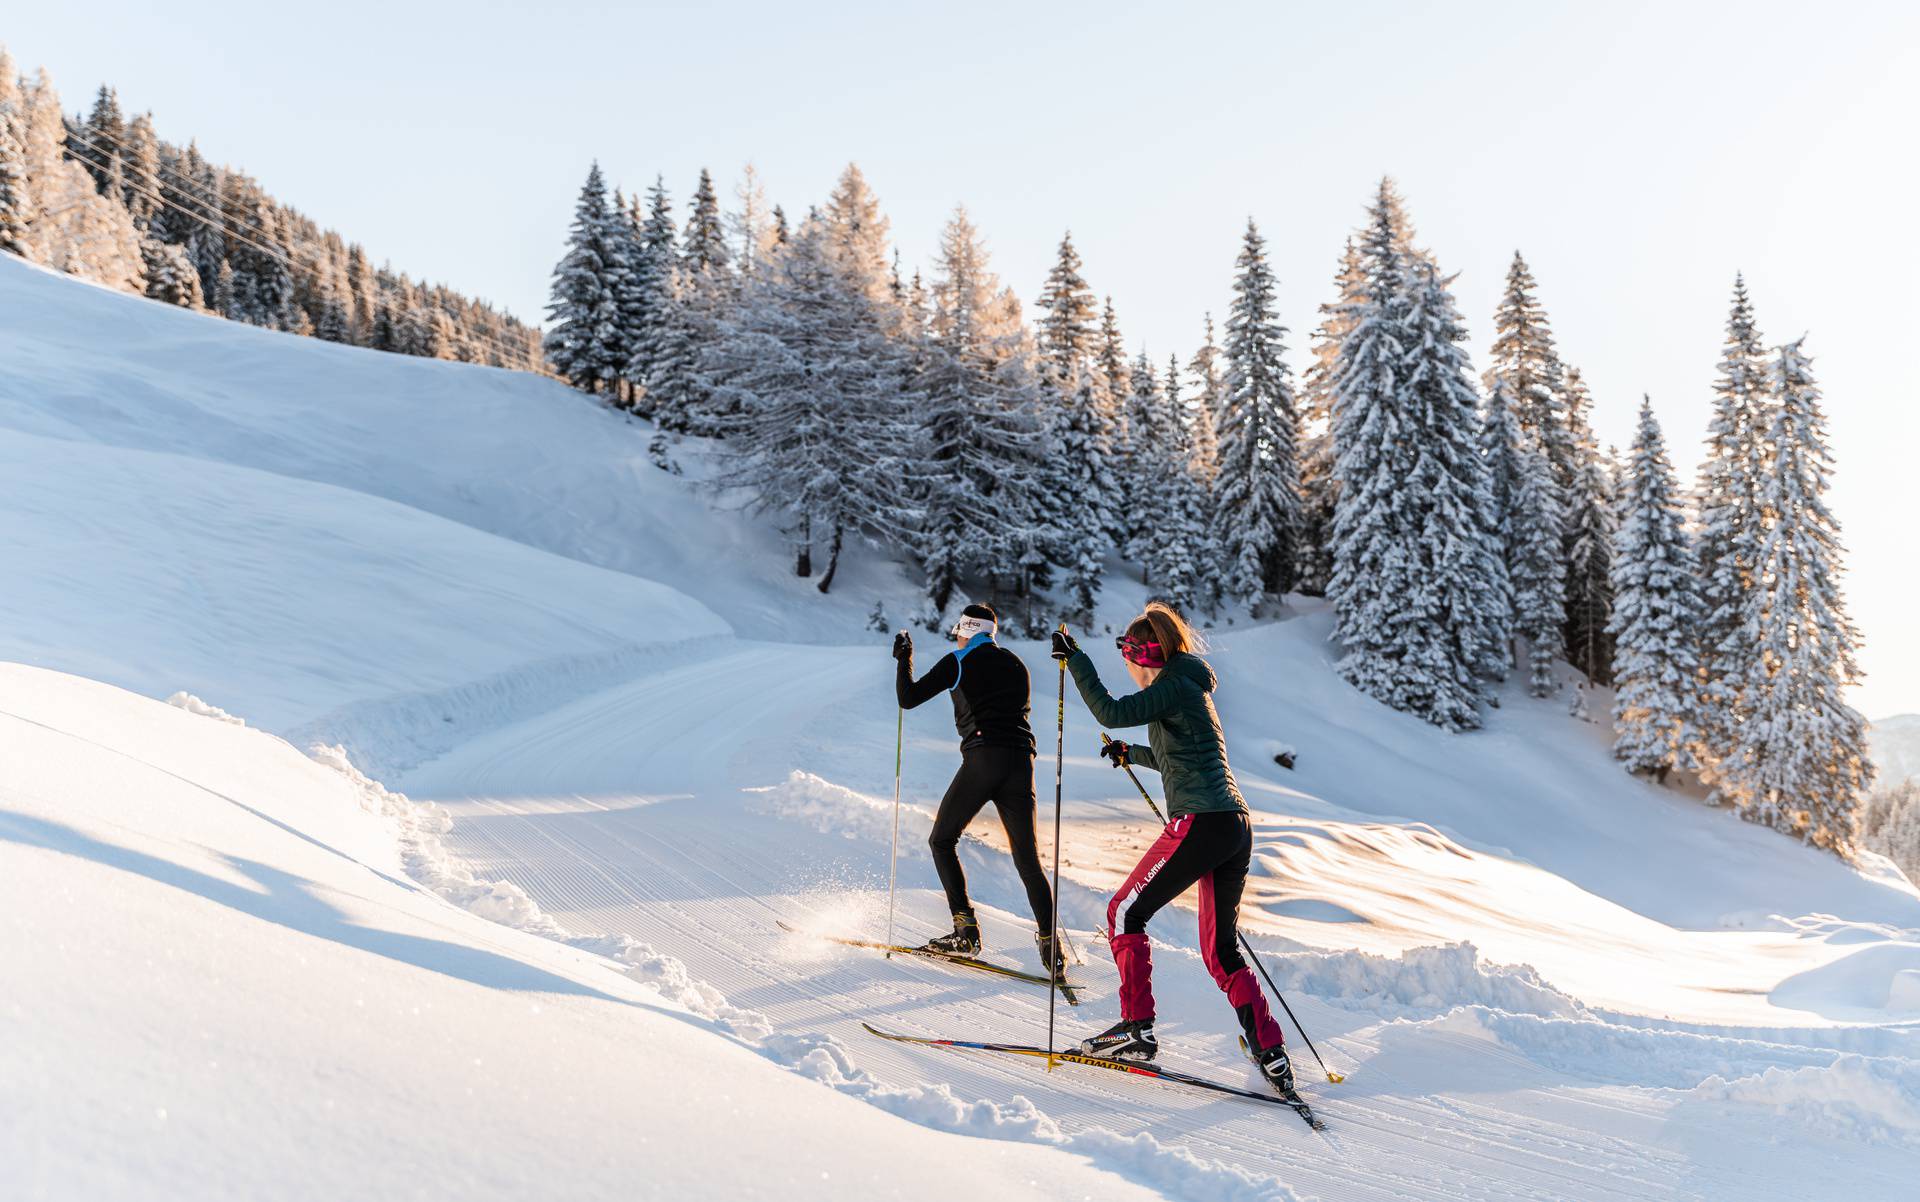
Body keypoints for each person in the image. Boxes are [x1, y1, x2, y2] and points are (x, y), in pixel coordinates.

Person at [1049, 602, 1294, 1092]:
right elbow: (1180, 758)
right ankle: (1271, 1053)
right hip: (1233, 826)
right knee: (1222, 951)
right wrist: (1133, 755)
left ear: (1144, 658)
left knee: (1122, 913)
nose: (1132, 673)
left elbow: (1111, 711)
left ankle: (1136, 1031)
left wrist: (1075, 661)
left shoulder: (1168, 687)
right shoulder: (1188, 685)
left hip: (1200, 822)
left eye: (1130, 663)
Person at [894, 603, 1063, 978]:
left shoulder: (958, 660)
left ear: (966, 630)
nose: (956, 636)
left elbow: (908, 698)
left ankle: (964, 931)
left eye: (958, 631)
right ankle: (1052, 947)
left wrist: (904, 659)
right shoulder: (1016, 664)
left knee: (942, 840)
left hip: (983, 759)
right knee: (1027, 858)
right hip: (1021, 763)